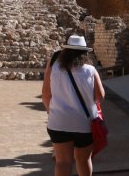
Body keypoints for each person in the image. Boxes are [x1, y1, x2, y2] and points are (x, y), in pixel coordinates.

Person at [42, 34, 106, 176]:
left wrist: (50, 111)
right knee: (83, 160)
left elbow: (46, 94)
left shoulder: (54, 67)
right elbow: (100, 96)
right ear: (84, 53)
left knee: (62, 162)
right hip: (83, 123)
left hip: (58, 121)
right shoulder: (90, 70)